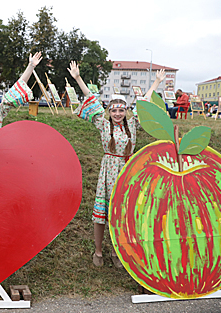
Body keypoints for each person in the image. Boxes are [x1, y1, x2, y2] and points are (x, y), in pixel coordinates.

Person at [67, 61, 165, 267]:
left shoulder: (133, 124)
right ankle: (98, 251)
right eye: (114, 111)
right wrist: (77, 78)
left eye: (121, 111)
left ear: (126, 111)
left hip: (128, 171)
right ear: (109, 112)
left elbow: (145, 103)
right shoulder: (102, 124)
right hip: (109, 171)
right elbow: (91, 100)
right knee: (103, 211)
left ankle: (117, 250)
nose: (117, 114)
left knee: (123, 212)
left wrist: (156, 82)